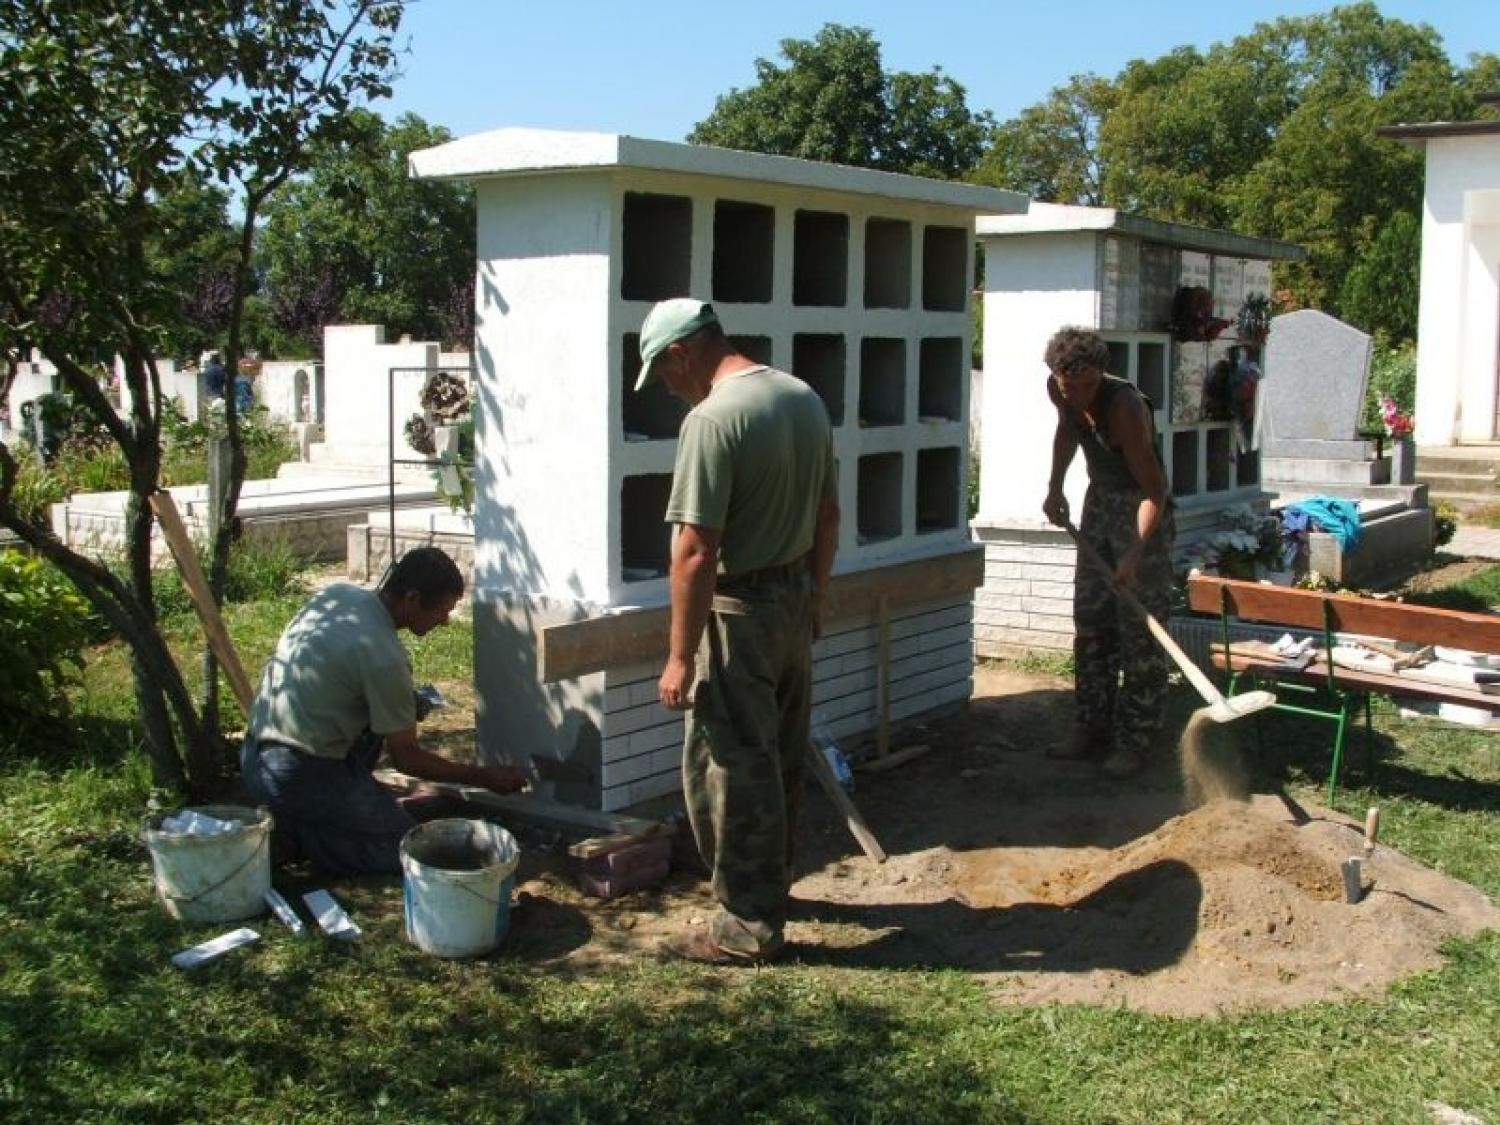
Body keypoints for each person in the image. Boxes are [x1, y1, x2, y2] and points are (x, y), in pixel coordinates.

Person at [638, 298, 840, 964]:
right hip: (791, 598)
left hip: (737, 613)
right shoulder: (802, 398)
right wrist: (815, 594)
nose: (668, 390)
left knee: (728, 767)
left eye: (663, 375)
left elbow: (695, 549)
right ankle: (769, 887)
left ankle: (746, 925)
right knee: (779, 757)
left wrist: (676, 656)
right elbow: (830, 511)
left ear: (681, 352)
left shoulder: (713, 419)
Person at [240, 547, 527, 875]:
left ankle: (338, 810)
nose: (445, 621)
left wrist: (404, 702)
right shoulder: (384, 658)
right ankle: (295, 838)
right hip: (299, 774)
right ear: (413, 598)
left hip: (255, 755)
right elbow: (407, 759)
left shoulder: (338, 596)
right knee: (407, 850)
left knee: (379, 728)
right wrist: (483, 777)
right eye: (442, 612)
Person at [1041, 327, 1175, 779]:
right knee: (1092, 620)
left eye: (1086, 386)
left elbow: (1154, 491)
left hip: (1141, 509)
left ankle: (1135, 741)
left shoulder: (1126, 409)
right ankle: (1089, 727)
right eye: (1068, 385)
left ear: (1101, 374)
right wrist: (1055, 487)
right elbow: (1065, 431)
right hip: (1099, 502)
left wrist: (1135, 554)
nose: (1077, 394)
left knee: (1140, 632)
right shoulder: (1058, 390)